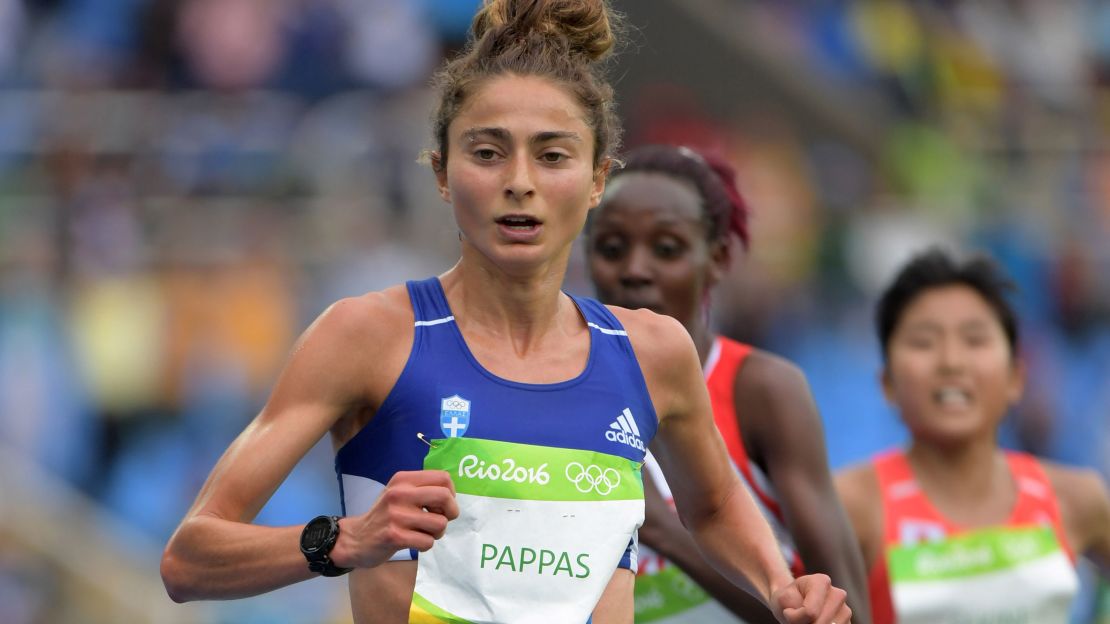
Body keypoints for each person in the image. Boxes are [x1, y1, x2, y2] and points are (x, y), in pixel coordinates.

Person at [160, 1, 855, 623]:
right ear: (440, 172)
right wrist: (346, 540)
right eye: (487, 152)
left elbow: (713, 505)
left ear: (596, 181)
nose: (519, 183)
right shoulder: (370, 336)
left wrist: (779, 584)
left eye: (552, 155)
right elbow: (189, 560)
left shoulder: (651, 353)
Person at [586, 144, 870, 624]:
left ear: (715, 259)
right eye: (612, 248)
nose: (635, 270)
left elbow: (851, 616)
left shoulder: (760, 392)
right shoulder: (552, 390)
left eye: (667, 249)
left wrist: (663, 529)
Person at [835, 248, 1110, 624]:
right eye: (923, 341)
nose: (951, 361)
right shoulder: (849, 506)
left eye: (975, 339)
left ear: (1017, 377)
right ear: (886, 383)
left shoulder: (1077, 498)